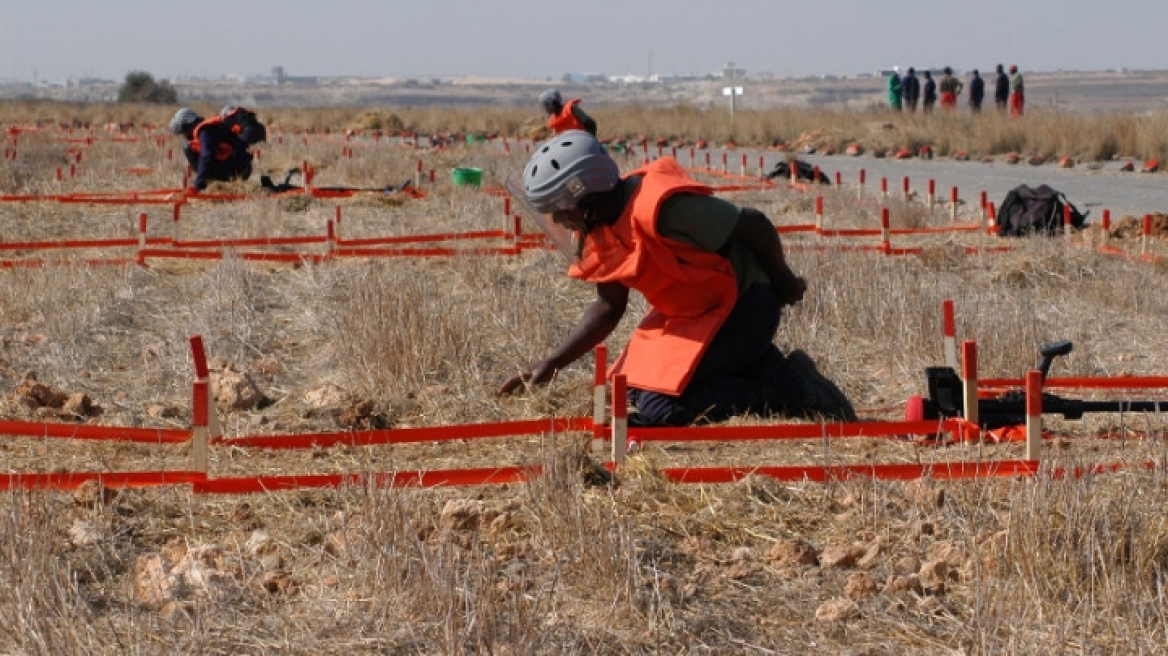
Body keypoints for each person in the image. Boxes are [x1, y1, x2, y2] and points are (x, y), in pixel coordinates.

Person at [500, 130, 857, 426]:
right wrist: (552, 363)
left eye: (561, 212)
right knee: (630, 389)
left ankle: (786, 386)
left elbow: (754, 224)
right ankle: (759, 365)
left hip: (743, 310)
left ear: (585, 194)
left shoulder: (662, 208)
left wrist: (784, 283)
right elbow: (608, 306)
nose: (560, 224)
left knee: (661, 411)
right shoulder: (601, 228)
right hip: (692, 315)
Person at [169, 107, 254, 191]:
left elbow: (207, 156)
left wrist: (197, 185)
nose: (185, 136)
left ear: (187, 126)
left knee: (188, 148)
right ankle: (206, 183)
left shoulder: (205, 132)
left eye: (183, 132)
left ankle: (204, 184)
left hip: (239, 170)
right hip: (241, 166)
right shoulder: (208, 128)